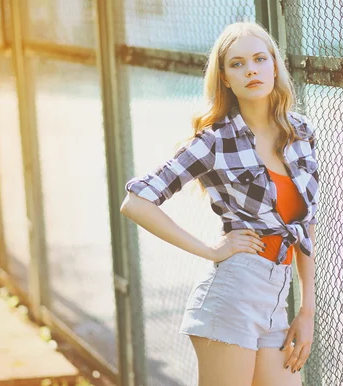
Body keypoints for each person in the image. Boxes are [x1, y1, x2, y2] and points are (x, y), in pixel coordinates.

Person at [120, 21, 319, 386]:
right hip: (232, 295)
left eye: (260, 59)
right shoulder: (214, 141)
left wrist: (307, 311)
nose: (251, 70)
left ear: (275, 65)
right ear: (225, 77)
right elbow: (136, 202)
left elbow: (304, 227)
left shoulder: (300, 133)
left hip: (276, 299)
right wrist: (210, 250)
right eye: (237, 64)